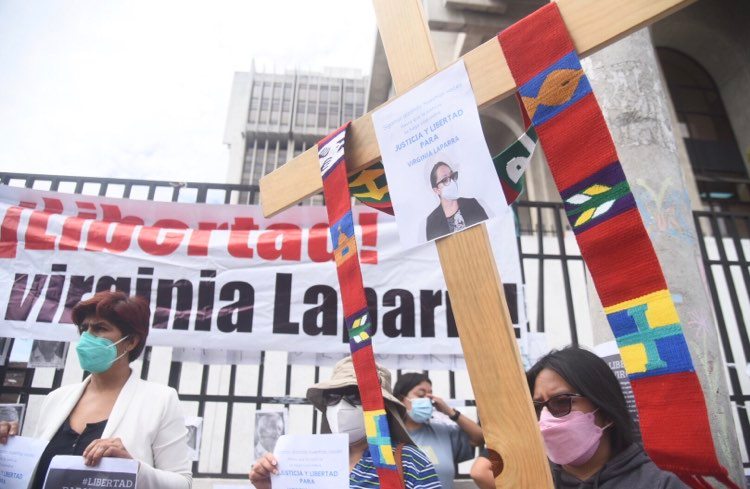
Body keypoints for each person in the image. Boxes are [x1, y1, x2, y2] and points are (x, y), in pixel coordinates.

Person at [0, 291, 192, 489]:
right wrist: (8, 448)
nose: (87, 337)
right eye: (84, 328)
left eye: (100, 328)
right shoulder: (56, 399)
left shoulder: (160, 400)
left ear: (131, 341)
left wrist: (132, 469)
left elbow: (182, 483)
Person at [249, 356, 441, 488]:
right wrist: (268, 486)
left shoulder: (410, 462)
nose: (341, 406)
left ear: (382, 406)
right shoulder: (305, 461)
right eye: (332, 396)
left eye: (355, 395)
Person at [526, 346, 687, 488]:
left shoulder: (660, 485)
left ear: (606, 410)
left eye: (561, 402)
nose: (545, 419)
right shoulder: (525, 481)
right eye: (538, 408)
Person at [394, 372, 484, 489]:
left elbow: (479, 438)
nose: (427, 400)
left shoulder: (442, 431)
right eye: (421, 394)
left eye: (430, 396)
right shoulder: (390, 435)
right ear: (401, 399)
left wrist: (451, 412)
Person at [425, 161, 488, 241]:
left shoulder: (472, 204)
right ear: (436, 190)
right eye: (445, 180)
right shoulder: (432, 222)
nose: (452, 182)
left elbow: (488, 232)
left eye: (452, 176)